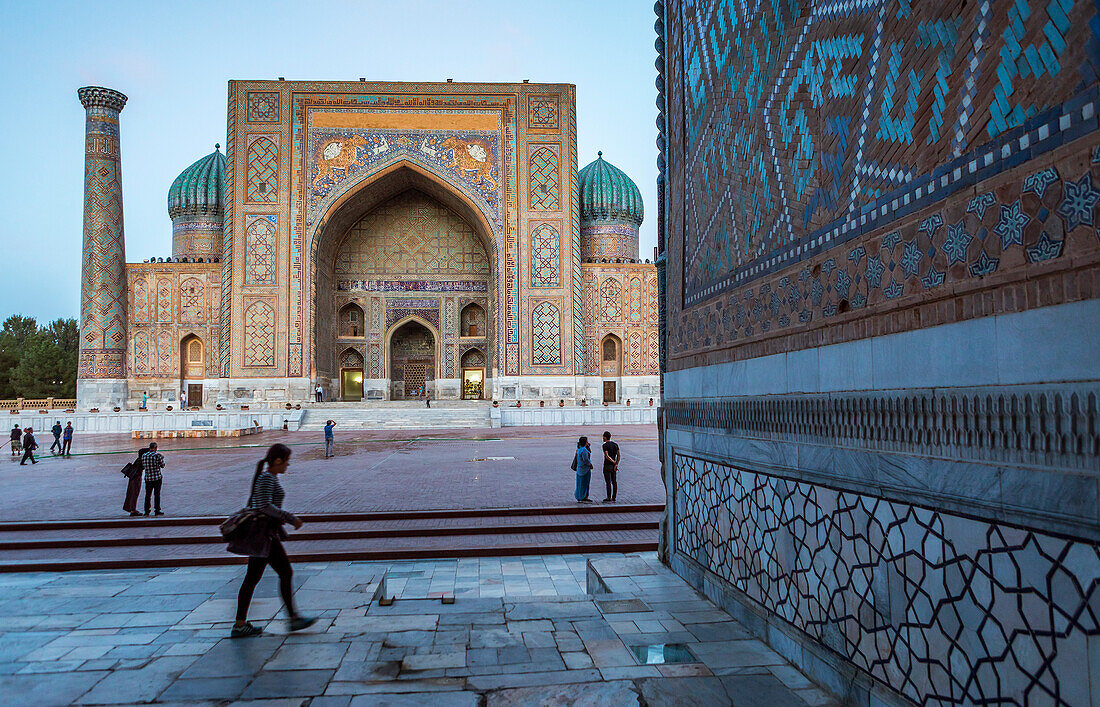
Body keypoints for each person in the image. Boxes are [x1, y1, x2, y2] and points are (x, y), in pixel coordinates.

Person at [232, 443, 317, 638]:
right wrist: (290, 518)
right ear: (278, 460)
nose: (288, 465)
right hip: (265, 535)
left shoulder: (267, 477)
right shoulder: (267, 478)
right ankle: (293, 618)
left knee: (253, 578)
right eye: (286, 461)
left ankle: (240, 624)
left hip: (264, 534)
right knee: (284, 572)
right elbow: (263, 505)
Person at [141, 442, 165, 516]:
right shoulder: (157, 455)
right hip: (157, 477)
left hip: (148, 478)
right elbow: (162, 465)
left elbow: (143, 465)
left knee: (148, 495)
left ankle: (146, 510)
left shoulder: (144, 455)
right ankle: (157, 510)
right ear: (155, 448)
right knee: (157, 494)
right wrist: (162, 458)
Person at [123, 444, 147, 516]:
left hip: (132, 477)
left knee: (131, 493)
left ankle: (130, 508)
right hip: (136, 478)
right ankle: (133, 510)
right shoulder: (142, 460)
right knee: (134, 493)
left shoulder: (138, 459)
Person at [601, 431, 620, 503]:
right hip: (613, 466)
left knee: (608, 482)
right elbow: (618, 455)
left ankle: (609, 497)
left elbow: (606, 455)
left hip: (607, 465)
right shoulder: (615, 445)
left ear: (605, 437)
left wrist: (613, 462)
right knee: (614, 481)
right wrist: (616, 464)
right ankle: (614, 497)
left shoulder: (605, 445)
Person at [572, 436, 593, 503]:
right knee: (585, 483)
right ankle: (584, 496)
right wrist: (590, 464)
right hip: (585, 469)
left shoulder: (579, 449)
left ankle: (579, 496)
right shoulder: (583, 450)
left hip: (579, 468)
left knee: (579, 483)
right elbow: (586, 460)